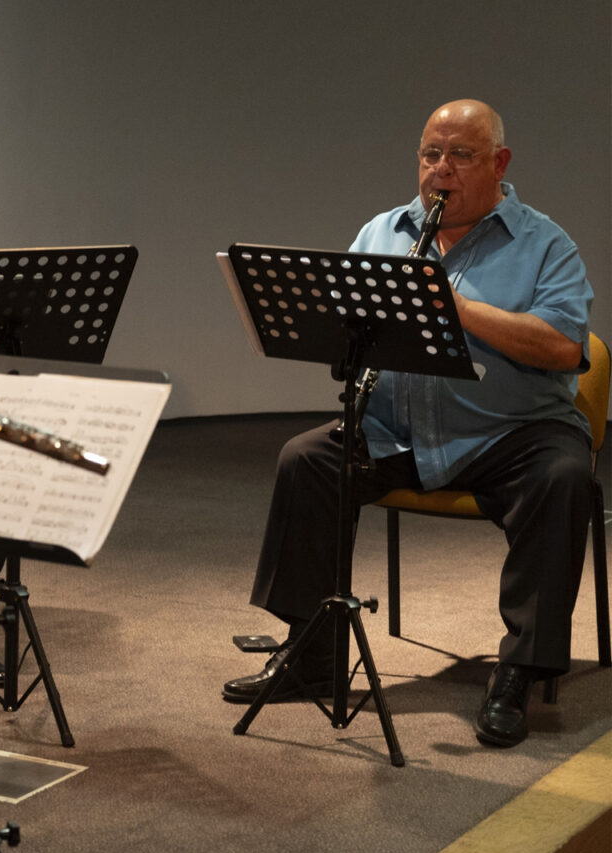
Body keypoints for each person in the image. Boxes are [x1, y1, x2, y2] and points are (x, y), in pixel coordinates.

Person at [222, 100, 595, 749]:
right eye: (430, 155)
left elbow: (565, 347)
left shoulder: (544, 243)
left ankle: (518, 672)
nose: (440, 170)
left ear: (500, 163)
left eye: (461, 156)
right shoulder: (384, 232)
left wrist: (457, 308)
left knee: (563, 476)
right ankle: (312, 656)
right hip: (400, 429)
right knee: (306, 459)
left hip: (515, 434)